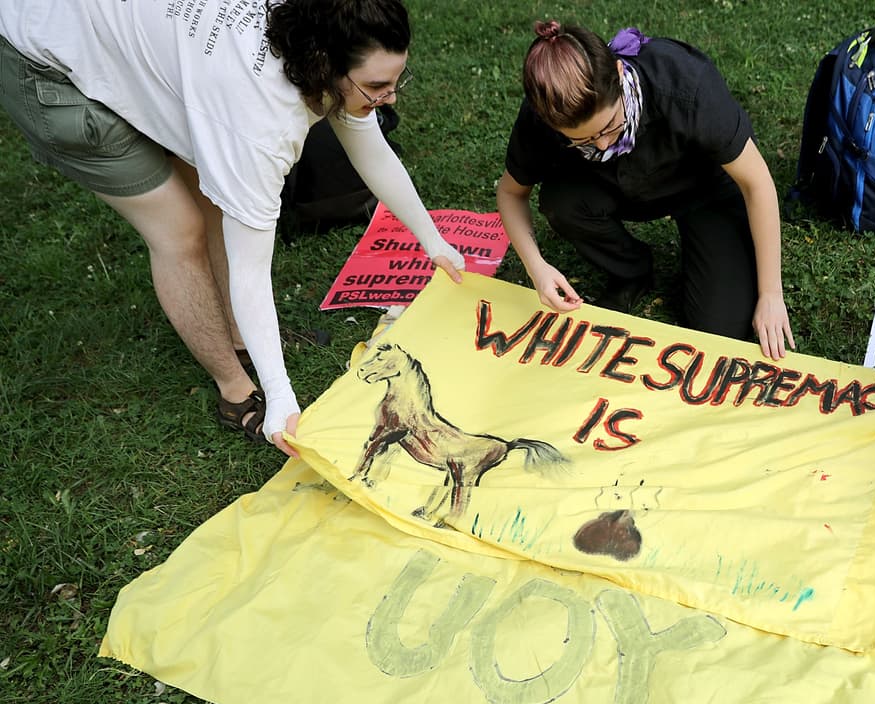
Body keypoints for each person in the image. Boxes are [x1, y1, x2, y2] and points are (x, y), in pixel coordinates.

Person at [0, 0, 464, 455]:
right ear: (325, 68)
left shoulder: (318, 22)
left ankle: (244, 339)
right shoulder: (260, 128)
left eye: (396, 80)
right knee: (179, 231)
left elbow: (369, 146)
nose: (391, 98)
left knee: (217, 199)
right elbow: (250, 270)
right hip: (42, 58)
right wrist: (281, 394)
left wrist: (433, 241)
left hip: (126, 34)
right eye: (378, 86)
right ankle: (235, 388)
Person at [495, 22, 794, 360]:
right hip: (611, 186)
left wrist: (771, 294)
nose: (604, 145)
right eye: (583, 140)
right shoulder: (542, 116)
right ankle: (631, 271)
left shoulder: (685, 83)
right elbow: (510, 193)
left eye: (610, 126)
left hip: (703, 186)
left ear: (619, 73)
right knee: (561, 202)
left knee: (719, 328)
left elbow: (757, 183)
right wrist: (536, 267)